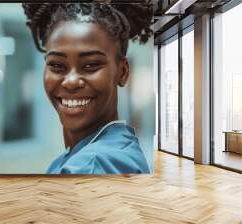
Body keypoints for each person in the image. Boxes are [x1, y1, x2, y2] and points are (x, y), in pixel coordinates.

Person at [22, 1, 153, 174]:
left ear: (122, 72)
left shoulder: (92, 165)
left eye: (91, 64)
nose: (71, 81)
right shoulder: (112, 147)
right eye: (57, 65)